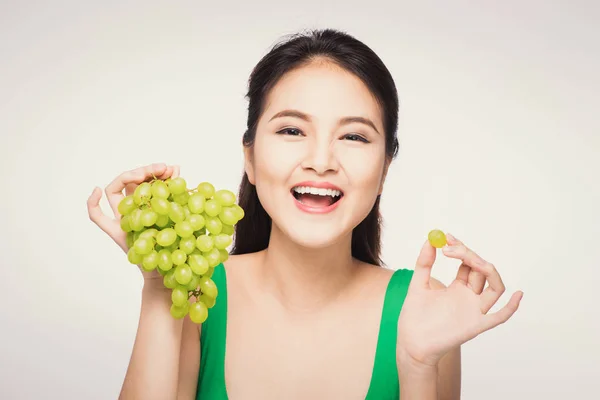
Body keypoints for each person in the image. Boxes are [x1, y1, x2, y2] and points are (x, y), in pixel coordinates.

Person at [87, 28, 523, 400]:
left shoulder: (425, 305)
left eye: (353, 136)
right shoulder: (198, 294)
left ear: (384, 167)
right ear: (251, 158)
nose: (321, 160)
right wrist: (161, 282)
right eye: (292, 130)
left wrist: (418, 367)